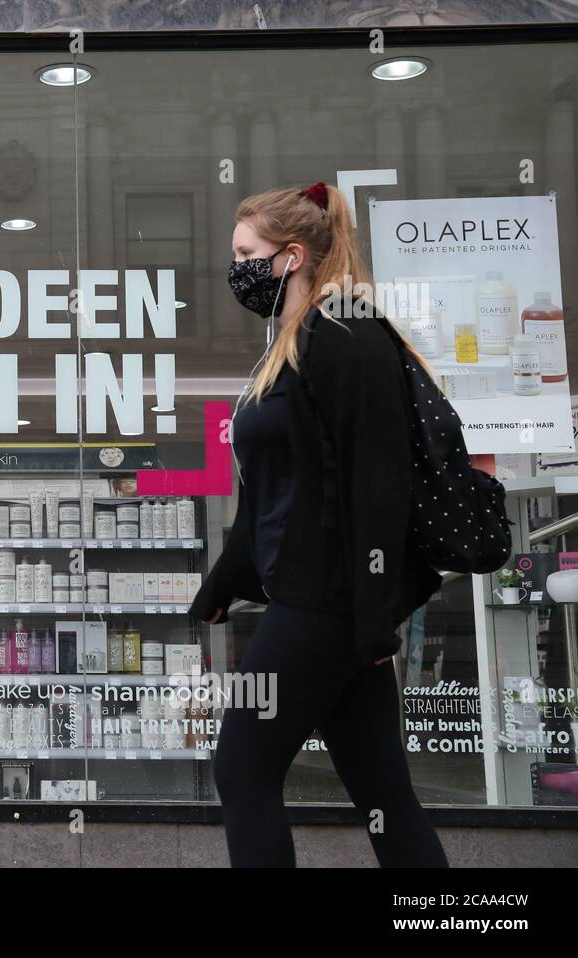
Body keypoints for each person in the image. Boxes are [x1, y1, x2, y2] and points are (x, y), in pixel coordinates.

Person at [189, 181, 449, 868]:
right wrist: (226, 581)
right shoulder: (294, 342)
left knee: (242, 770)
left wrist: (372, 610)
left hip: (326, 601)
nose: (236, 268)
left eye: (246, 253)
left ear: (291, 255)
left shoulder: (344, 333)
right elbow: (276, 488)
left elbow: (377, 480)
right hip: (322, 600)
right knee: (384, 794)